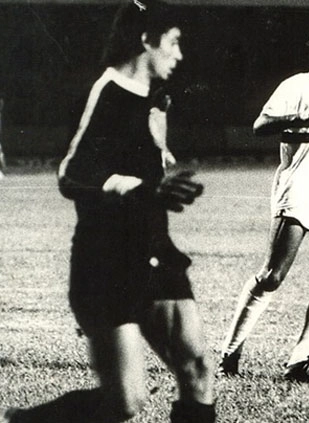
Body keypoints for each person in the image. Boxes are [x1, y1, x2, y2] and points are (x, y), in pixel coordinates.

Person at [2, 2, 215, 422]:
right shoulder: (107, 91)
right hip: (105, 265)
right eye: (173, 43)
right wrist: (140, 187)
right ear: (145, 40)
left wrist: (161, 182)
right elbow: (72, 173)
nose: (180, 54)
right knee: (125, 403)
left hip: (155, 252)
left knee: (198, 369)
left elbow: (146, 172)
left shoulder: (153, 101)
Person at [218, 19, 309, 382]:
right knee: (272, 276)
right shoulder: (297, 85)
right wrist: (299, 117)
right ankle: (230, 352)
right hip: (300, 187)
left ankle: (300, 360)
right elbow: (260, 125)